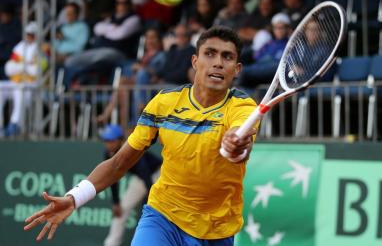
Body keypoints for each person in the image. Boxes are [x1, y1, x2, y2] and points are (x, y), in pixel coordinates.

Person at [23, 26, 258, 245]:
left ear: (236, 69)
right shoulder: (163, 104)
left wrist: (235, 145)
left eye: (227, 57)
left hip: (217, 230)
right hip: (163, 216)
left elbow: (239, 139)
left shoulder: (243, 108)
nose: (218, 63)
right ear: (195, 62)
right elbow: (119, 162)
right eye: (210, 53)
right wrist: (74, 197)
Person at [99, 124, 162, 246]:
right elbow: (112, 178)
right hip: (140, 178)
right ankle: (111, 243)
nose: (108, 144)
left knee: (155, 211)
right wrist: (116, 202)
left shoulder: (131, 148)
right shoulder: (108, 153)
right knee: (121, 209)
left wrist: (149, 195)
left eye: (112, 140)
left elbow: (145, 172)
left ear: (121, 140)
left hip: (158, 174)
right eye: (106, 140)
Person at [0, 22, 47, 136]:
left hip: (33, 85)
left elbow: (37, 71)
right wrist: (25, 66)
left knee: (20, 89)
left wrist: (20, 66)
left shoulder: (43, 48)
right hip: (17, 81)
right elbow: (9, 68)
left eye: (32, 34)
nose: (29, 37)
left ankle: (15, 124)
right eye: (28, 34)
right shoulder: (20, 47)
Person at [238, 12, 291, 87]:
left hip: (275, 71)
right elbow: (256, 56)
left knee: (243, 71)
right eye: (276, 28)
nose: (278, 30)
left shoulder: (290, 43)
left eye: (281, 28)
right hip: (260, 67)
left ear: (287, 29)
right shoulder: (269, 43)